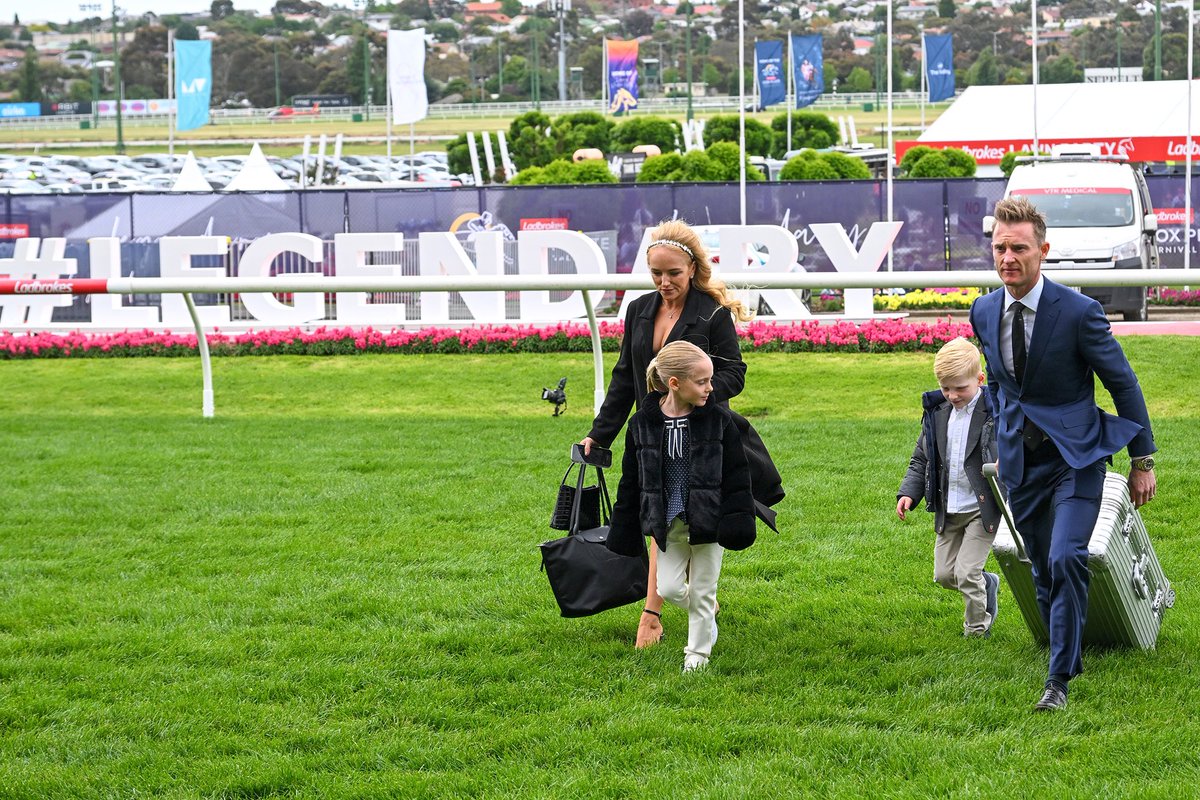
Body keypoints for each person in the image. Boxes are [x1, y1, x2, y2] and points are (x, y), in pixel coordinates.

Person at [969, 196, 1157, 712]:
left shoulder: (1079, 312)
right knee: (1042, 569)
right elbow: (1004, 386)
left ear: (1043, 250)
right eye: (1000, 247)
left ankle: (1057, 681)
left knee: (1066, 555)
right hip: (1019, 463)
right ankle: (1066, 650)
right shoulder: (984, 310)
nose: (1008, 257)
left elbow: (1123, 384)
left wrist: (1143, 461)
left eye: (1020, 248)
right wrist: (1001, 437)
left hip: (1078, 457)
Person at [579, 219, 784, 649]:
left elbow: (735, 373)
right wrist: (601, 435)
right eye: (656, 273)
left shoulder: (711, 311)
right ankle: (683, 604)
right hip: (653, 439)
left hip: (703, 442)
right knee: (660, 518)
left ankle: (654, 615)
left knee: (682, 522)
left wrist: (697, 399)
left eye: (673, 272)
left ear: (692, 267)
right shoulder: (637, 310)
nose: (664, 281)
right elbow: (623, 380)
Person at [605, 341, 757, 673]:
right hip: (667, 521)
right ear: (674, 383)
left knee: (703, 590)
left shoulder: (719, 420)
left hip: (709, 520)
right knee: (669, 588)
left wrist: (737, 518)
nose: (710, 388)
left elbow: (736, 473)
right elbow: (631, 480)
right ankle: (705, 618)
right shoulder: (641, 424)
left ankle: (696, 658)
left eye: (710, 380)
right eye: (702, 382)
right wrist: (625, 526)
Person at [896, 337, 1002, 638]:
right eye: (946, 388)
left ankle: (977, 630)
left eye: (961, 388)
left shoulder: (995, 413)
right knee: (945, 576)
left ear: (979, 380)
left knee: (967, 573)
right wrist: (909, 493)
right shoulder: (937, 412)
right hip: (949, 507)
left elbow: (1011, 448)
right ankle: (987, 584)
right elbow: (922, 458)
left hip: (982, 508)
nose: (953, 395)